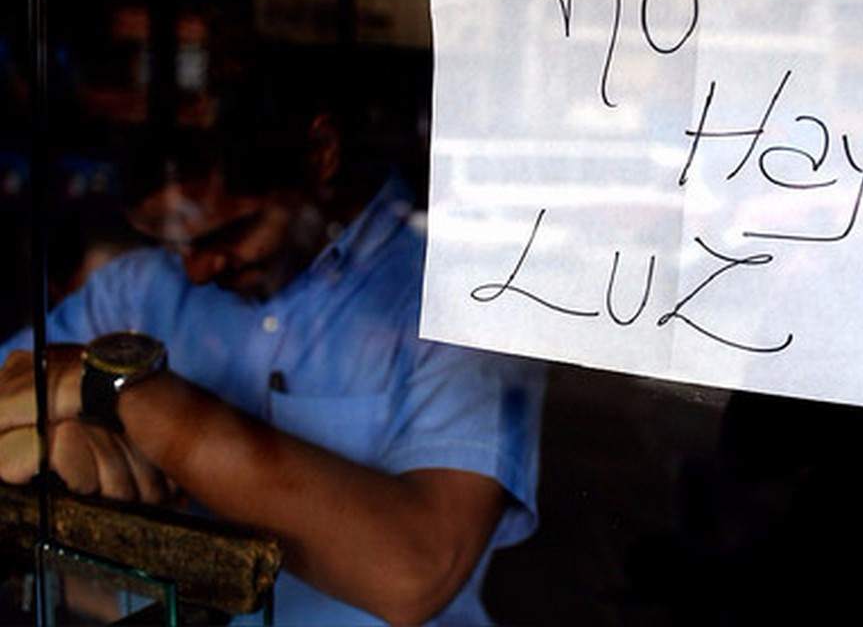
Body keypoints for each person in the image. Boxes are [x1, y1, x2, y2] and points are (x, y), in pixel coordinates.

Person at [0, 66, 545, 626]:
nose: (197, 269)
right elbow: (11, 395)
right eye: (176, 243)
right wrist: (63, 439)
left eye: (226, 234)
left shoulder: (464, 299)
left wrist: (121, 392)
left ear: (320, 155)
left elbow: (415, 572)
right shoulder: (141, 288)